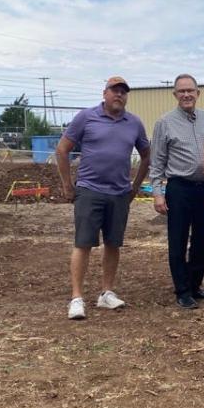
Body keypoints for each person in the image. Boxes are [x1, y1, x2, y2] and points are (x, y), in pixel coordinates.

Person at [57, 76, 151, 320]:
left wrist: (135, 187)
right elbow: (62, 150)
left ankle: (106, 293)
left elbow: (146, 156)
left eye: (123, 92)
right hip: (89, 190)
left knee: (113, 243)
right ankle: (77, 298)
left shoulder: (134, 124)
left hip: (120, 193)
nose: (119, 95)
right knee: (83, 243)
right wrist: (68, 185)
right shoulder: (86, 118)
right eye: (114, 90)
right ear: (104, 93)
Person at [150, 74, 204, 309]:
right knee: (177, 239)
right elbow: (156, 162)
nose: (186, 95)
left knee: (201, 238)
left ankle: (195, 285)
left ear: (198, 93)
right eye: (182, 91)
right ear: (175, 94)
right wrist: (157, 193)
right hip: (179, 188)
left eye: (191, 90)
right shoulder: (164, 123)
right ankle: (182, 290)